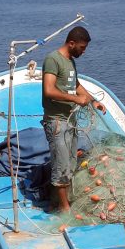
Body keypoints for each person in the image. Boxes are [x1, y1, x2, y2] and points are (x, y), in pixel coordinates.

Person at [42, 26, 106, 212]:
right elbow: (49, 90)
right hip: (57, 122)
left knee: (70, 163)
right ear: (71, 43)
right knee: (61, 166)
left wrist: (93, 101)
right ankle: (64, 210)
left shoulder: (70, 61)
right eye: (82, 47)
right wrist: (76, 99)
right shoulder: (53, 59)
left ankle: (62, 200)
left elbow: (74, 84)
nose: (83, 51)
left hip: (70, 120)